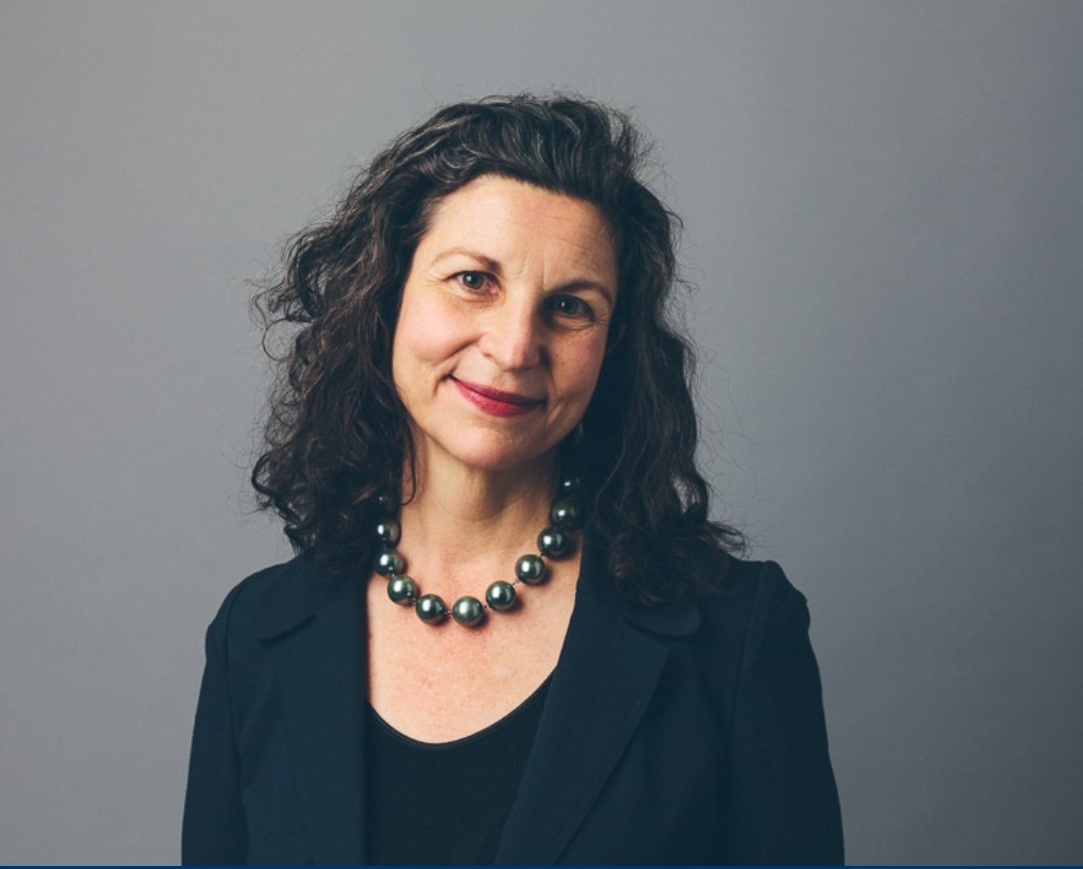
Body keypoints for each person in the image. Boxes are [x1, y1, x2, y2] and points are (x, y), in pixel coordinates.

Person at [182, 94, 843, 866]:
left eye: (569, 306)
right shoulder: (255, 635)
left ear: (612, 346)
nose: (515, 345)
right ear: (386, 296)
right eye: (473, 279)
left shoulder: (738, 635)